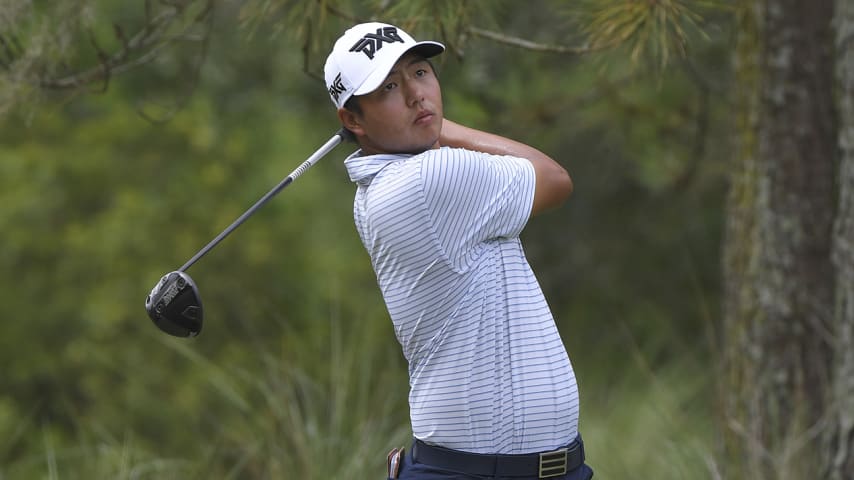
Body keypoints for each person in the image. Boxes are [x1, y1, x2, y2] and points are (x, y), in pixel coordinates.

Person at [324, 22, 593, 480]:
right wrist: (438, 125)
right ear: (352, 119)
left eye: (421, 73)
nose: (416, 95)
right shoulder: (426, 181)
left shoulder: (390, 184)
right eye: (389, 87)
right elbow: (554, 179)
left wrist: (421, 123)